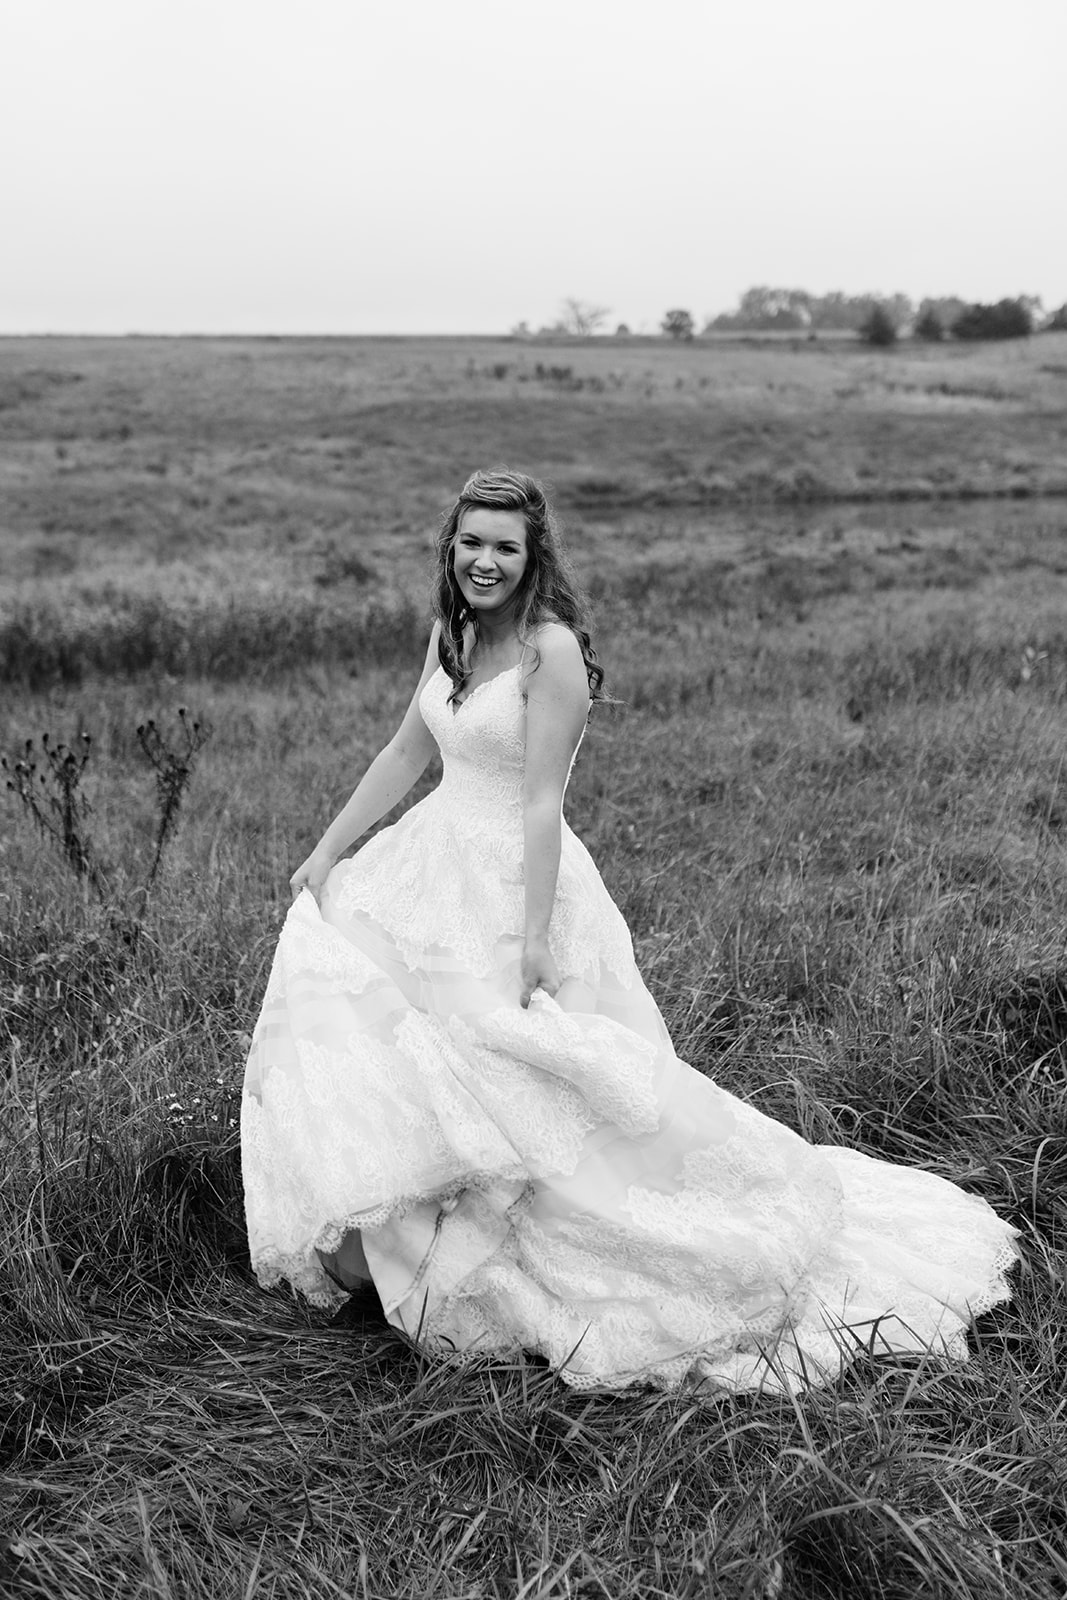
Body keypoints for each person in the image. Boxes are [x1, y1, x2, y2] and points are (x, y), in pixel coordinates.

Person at [240, 468, 1017, 1394]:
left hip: (516, 880)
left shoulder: (548, 651)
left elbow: (537, 801)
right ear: (449, 547)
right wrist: (328, 851)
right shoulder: (452, 634)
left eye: (505, 547)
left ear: (534, 559)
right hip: (429, 860)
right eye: (471, 542)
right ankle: (400, 1231)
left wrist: (531, 937)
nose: (485, 561)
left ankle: (552, 1240)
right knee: (377, 1016)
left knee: (523, 1067)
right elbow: (408, 749)